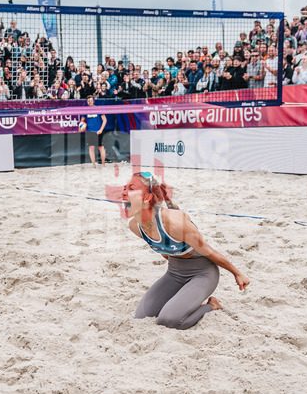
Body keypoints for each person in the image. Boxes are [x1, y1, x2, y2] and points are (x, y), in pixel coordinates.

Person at [121, 172, 249, 330]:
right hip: (175, 273)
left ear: (147, 198)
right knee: (142, 316)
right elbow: (164, 250)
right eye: (124, 188)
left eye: (131, 188)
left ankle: (212, 305)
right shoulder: (135, 226)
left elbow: (210, 251)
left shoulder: (175, 223)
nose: (124, 192)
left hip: (203, 274)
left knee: (169, 320)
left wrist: (237, 273)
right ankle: (185, 297)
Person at [78, 96, 107, 166]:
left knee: (101, 147)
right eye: (88, 101)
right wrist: (80, 128)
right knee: (91, 147)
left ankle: (103, 164)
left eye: (91, 100)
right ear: (87, 102)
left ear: (93, 101)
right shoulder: (86, 110)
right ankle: (94, 165)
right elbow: (81, 122)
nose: (90, 102)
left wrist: (101, 129)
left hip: (98, 131)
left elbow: (105, 120)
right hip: (89, 131)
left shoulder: (98, 109)